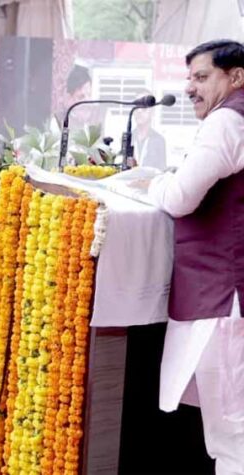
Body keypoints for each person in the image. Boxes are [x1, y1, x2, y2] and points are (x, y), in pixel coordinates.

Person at [141, 40, 244, 473]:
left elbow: (180, 198)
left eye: (201, 77)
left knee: (232, 435)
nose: (189, 88)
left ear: (236, 77)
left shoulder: (227, 122)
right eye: (189, 78)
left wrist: (153, 183)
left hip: (223, 294)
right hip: (231, 291)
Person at [132, 89, 168, 170]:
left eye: (144, 106)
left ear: (153, 111)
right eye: (137, 106)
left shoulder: (159, 140)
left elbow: (161, 171)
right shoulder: (127, 138)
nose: (139, 111)